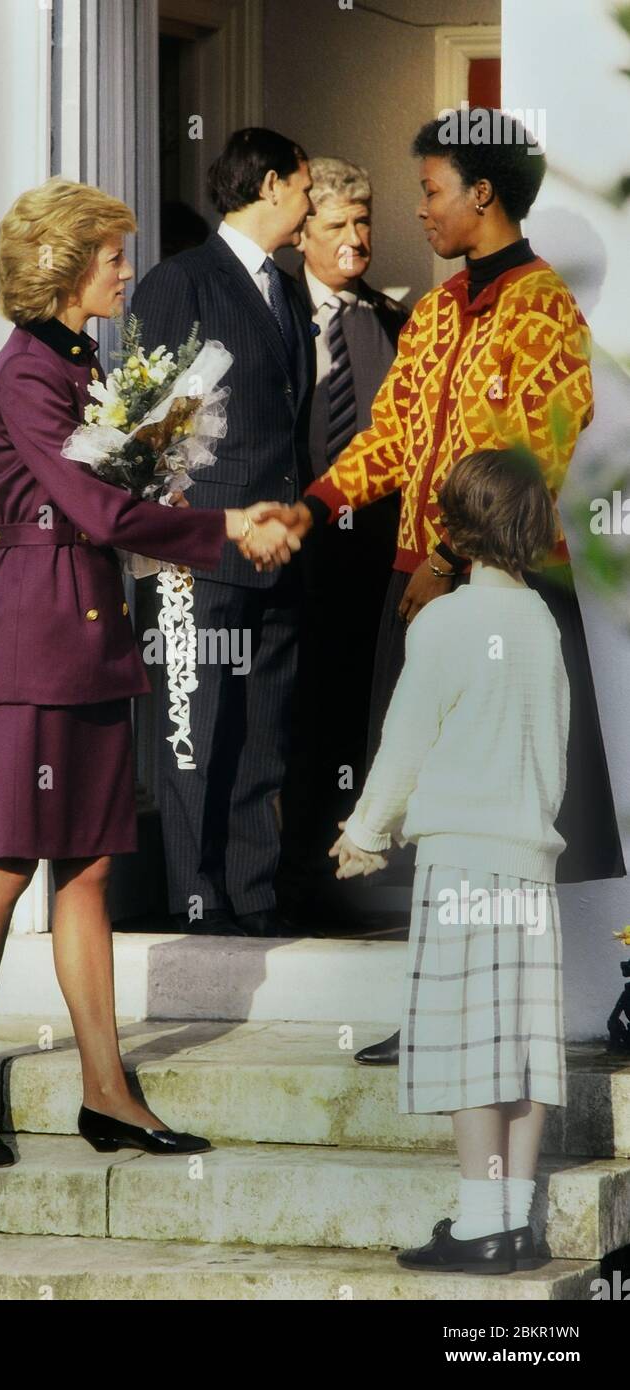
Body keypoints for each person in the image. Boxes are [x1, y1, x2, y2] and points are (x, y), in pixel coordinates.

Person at [0, 176, 300, 1167]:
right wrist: (222, 521)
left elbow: (107, 497)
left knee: (90, 868)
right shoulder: (27, 373)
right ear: (64, 267)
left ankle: (106, 1089)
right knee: (10, 862)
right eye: (111, 257)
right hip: (35, 638)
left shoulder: (78, 357)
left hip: (91, 633)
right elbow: (96, 510)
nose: (126, 272)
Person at [273, 108, 625, 1059]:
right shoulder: (433, 310)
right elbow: (387, 440)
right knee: (436, 807)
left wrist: (444, 561)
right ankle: (437, 1009)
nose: (418, 211)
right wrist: (311, 505)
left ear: (482, 193)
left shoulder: (543, 307)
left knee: (504, 811)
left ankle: (511, 1020)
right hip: (422, 589)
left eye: (430, 191)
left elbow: (528, 460)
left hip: (502, 593)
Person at [332, 448, 569, 1274]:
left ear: (453, 527)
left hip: (463, 865)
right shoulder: (540, 625)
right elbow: (554, 749)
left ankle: (478, 1224)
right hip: (528, 866)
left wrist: (365, 831)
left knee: (475, 1047)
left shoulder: (442, 623)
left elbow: (404, 745)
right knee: (524, 1046)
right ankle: (517, 1221)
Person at [131, 128, 317, 938]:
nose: (310, 206)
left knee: (260, 735)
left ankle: (252, 892)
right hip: (206, 553)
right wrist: (198, 532)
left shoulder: (286, 286)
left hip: (279, 548)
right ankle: (197, 900)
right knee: (195, 730)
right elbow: (153, 430)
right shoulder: (181, 282)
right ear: (271, 185)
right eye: (306, 189)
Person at [279, 156, 408, 918]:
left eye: (364, 222)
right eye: (336, 225)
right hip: (290, 549)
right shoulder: (273, 313)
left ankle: (357, 884)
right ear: (302, 232)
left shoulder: (394, 320)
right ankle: (292, 882)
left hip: (369, 558)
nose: (355, 239)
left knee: (367, 712)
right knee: (295, 720)